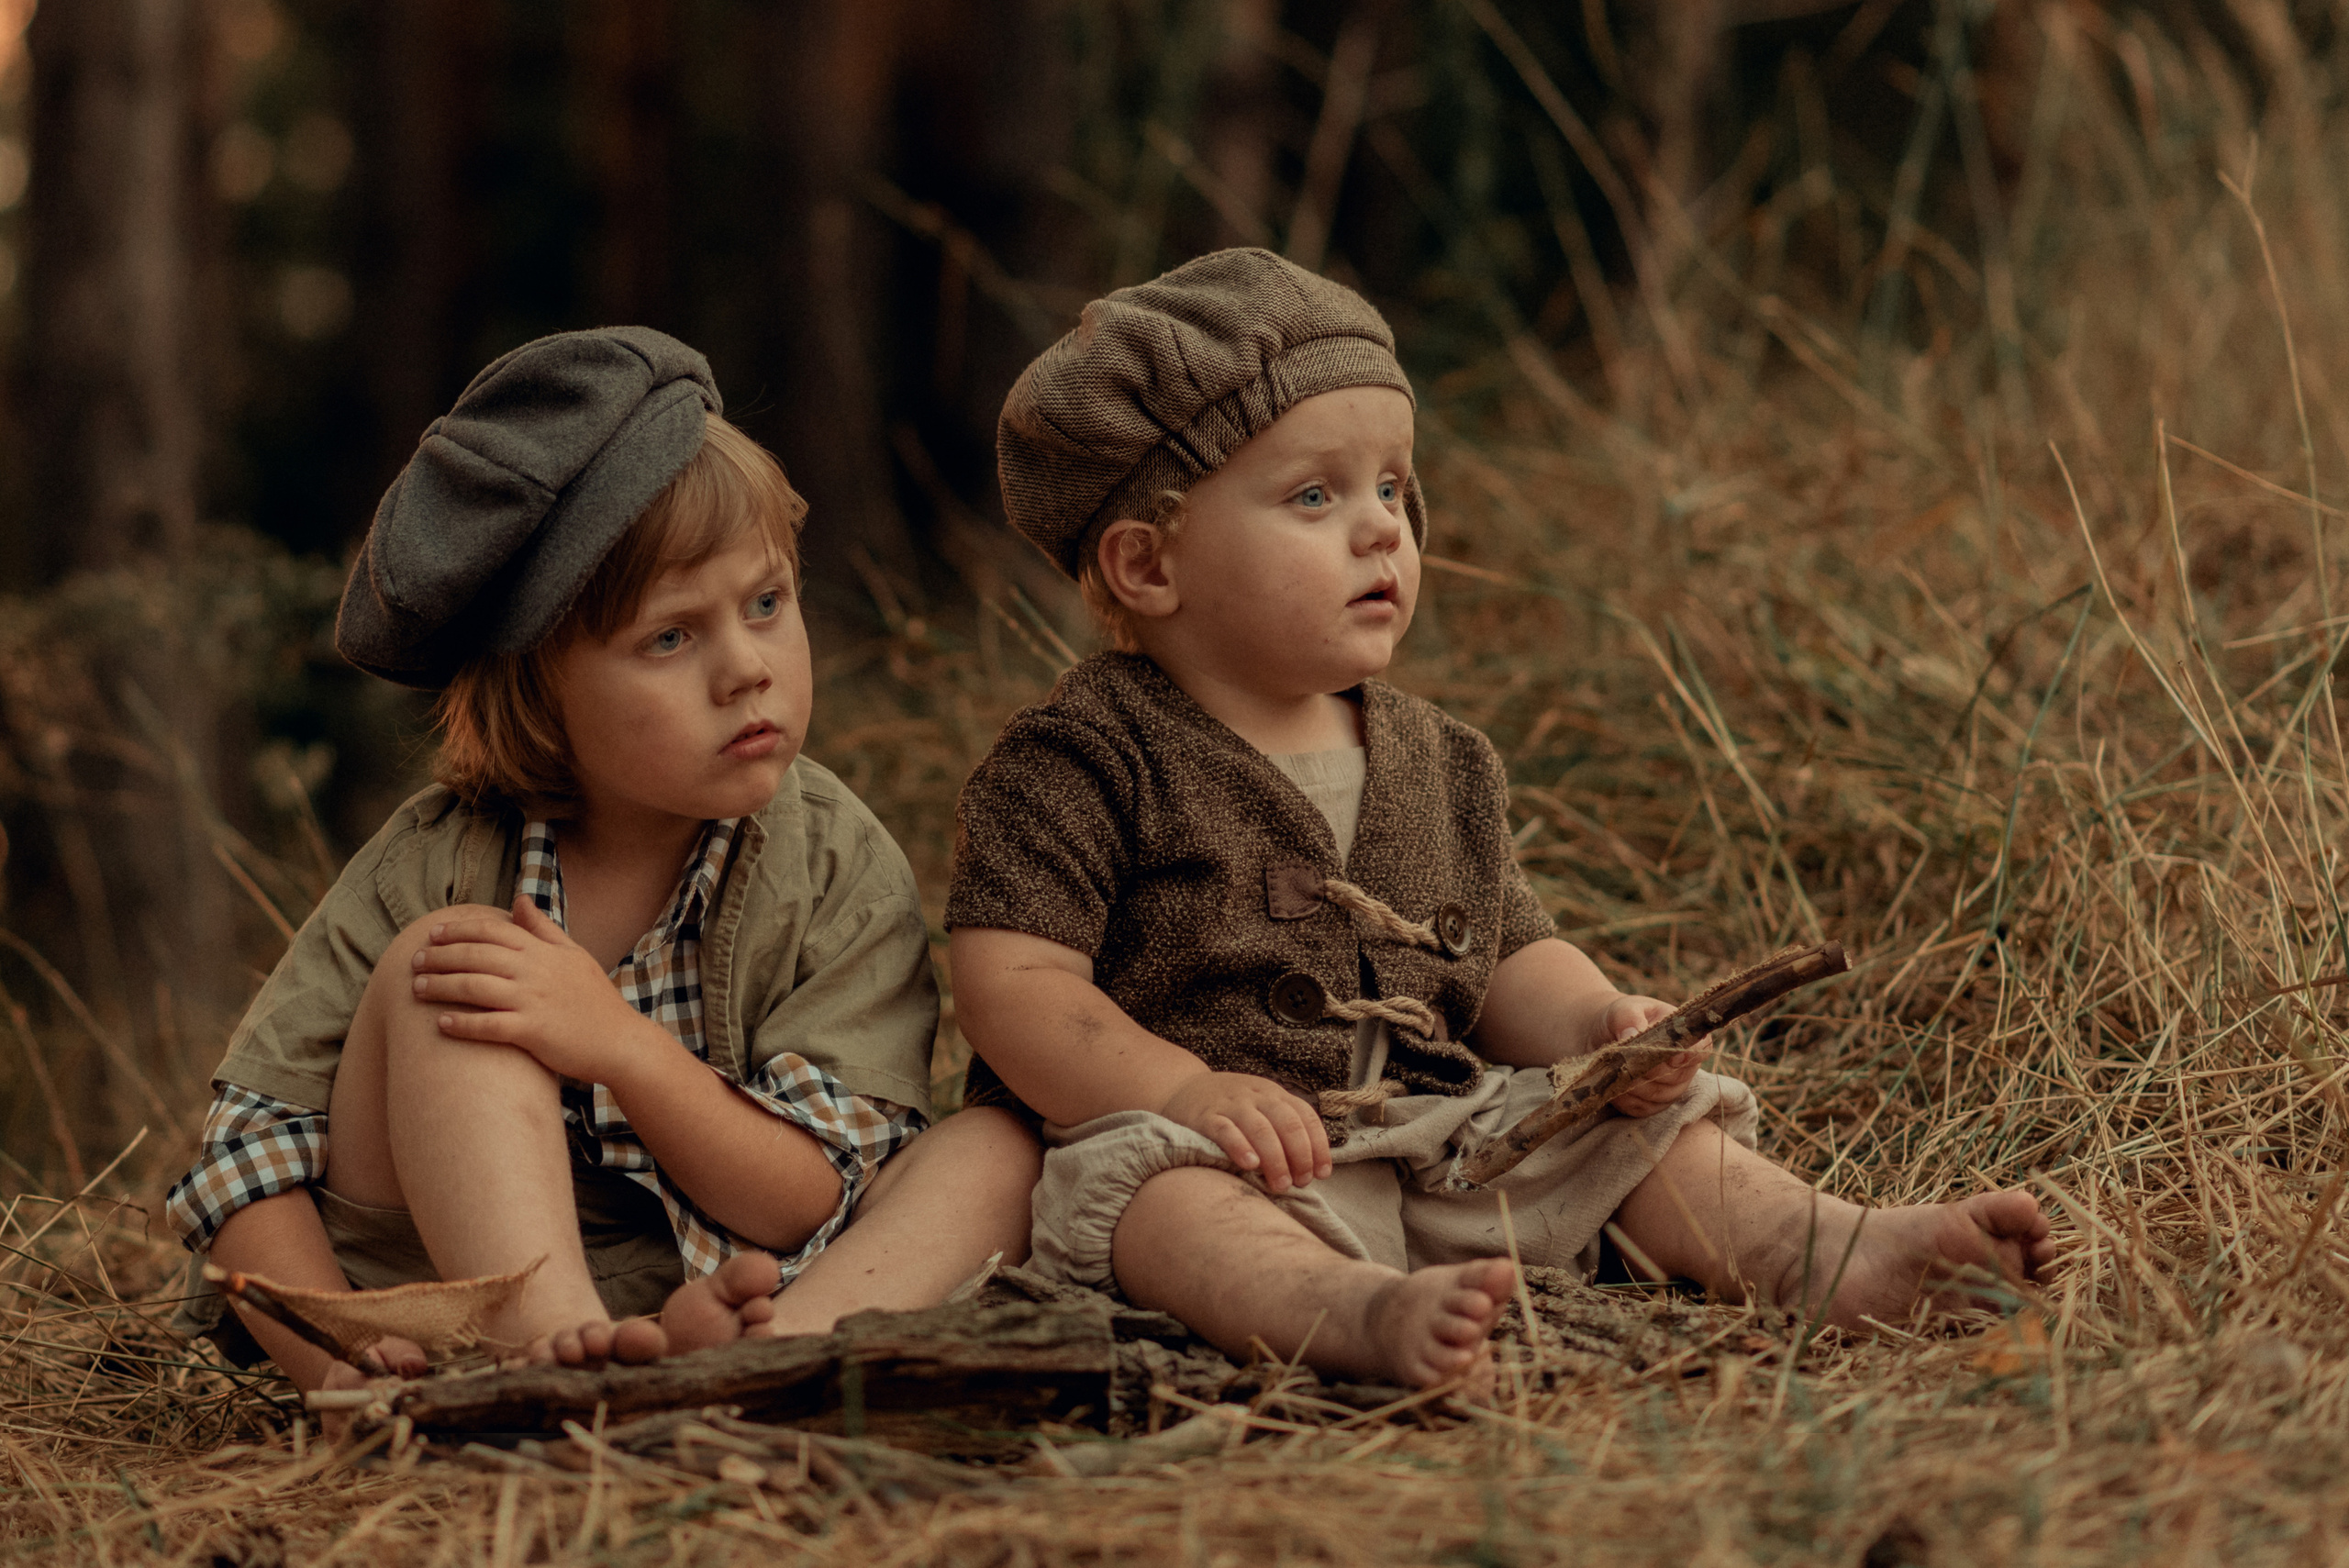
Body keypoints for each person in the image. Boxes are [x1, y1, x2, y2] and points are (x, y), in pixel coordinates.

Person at [947, 249, 2055, 1391]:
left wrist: (1594, 1027)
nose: (1381, 529)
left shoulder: (1436, 757)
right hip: (1235, 1154)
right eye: (1314, 495)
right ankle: (1351, 1314)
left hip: (1447, 1141)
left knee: (1637, 1138)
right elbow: (1012, 984)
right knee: (1153, 1202)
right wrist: (1180, 1091)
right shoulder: (1082, 755)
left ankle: (1820, 1246)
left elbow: (1506, 947)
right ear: (1148, 562)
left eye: (1392, 487)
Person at [166, 327, 1040, 1393]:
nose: (746, 671)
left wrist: (618, 1044)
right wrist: (336, 1360)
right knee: (456, 967)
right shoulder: (437, 861)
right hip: (461, 1293)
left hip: (740, 1270)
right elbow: (244, 1162)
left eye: (767, 604)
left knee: (998, 1147)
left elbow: (807, 1195)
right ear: (538, 689)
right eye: (670, 638)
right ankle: (557, 1363)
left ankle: (768, 1361)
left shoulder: (836, 862)